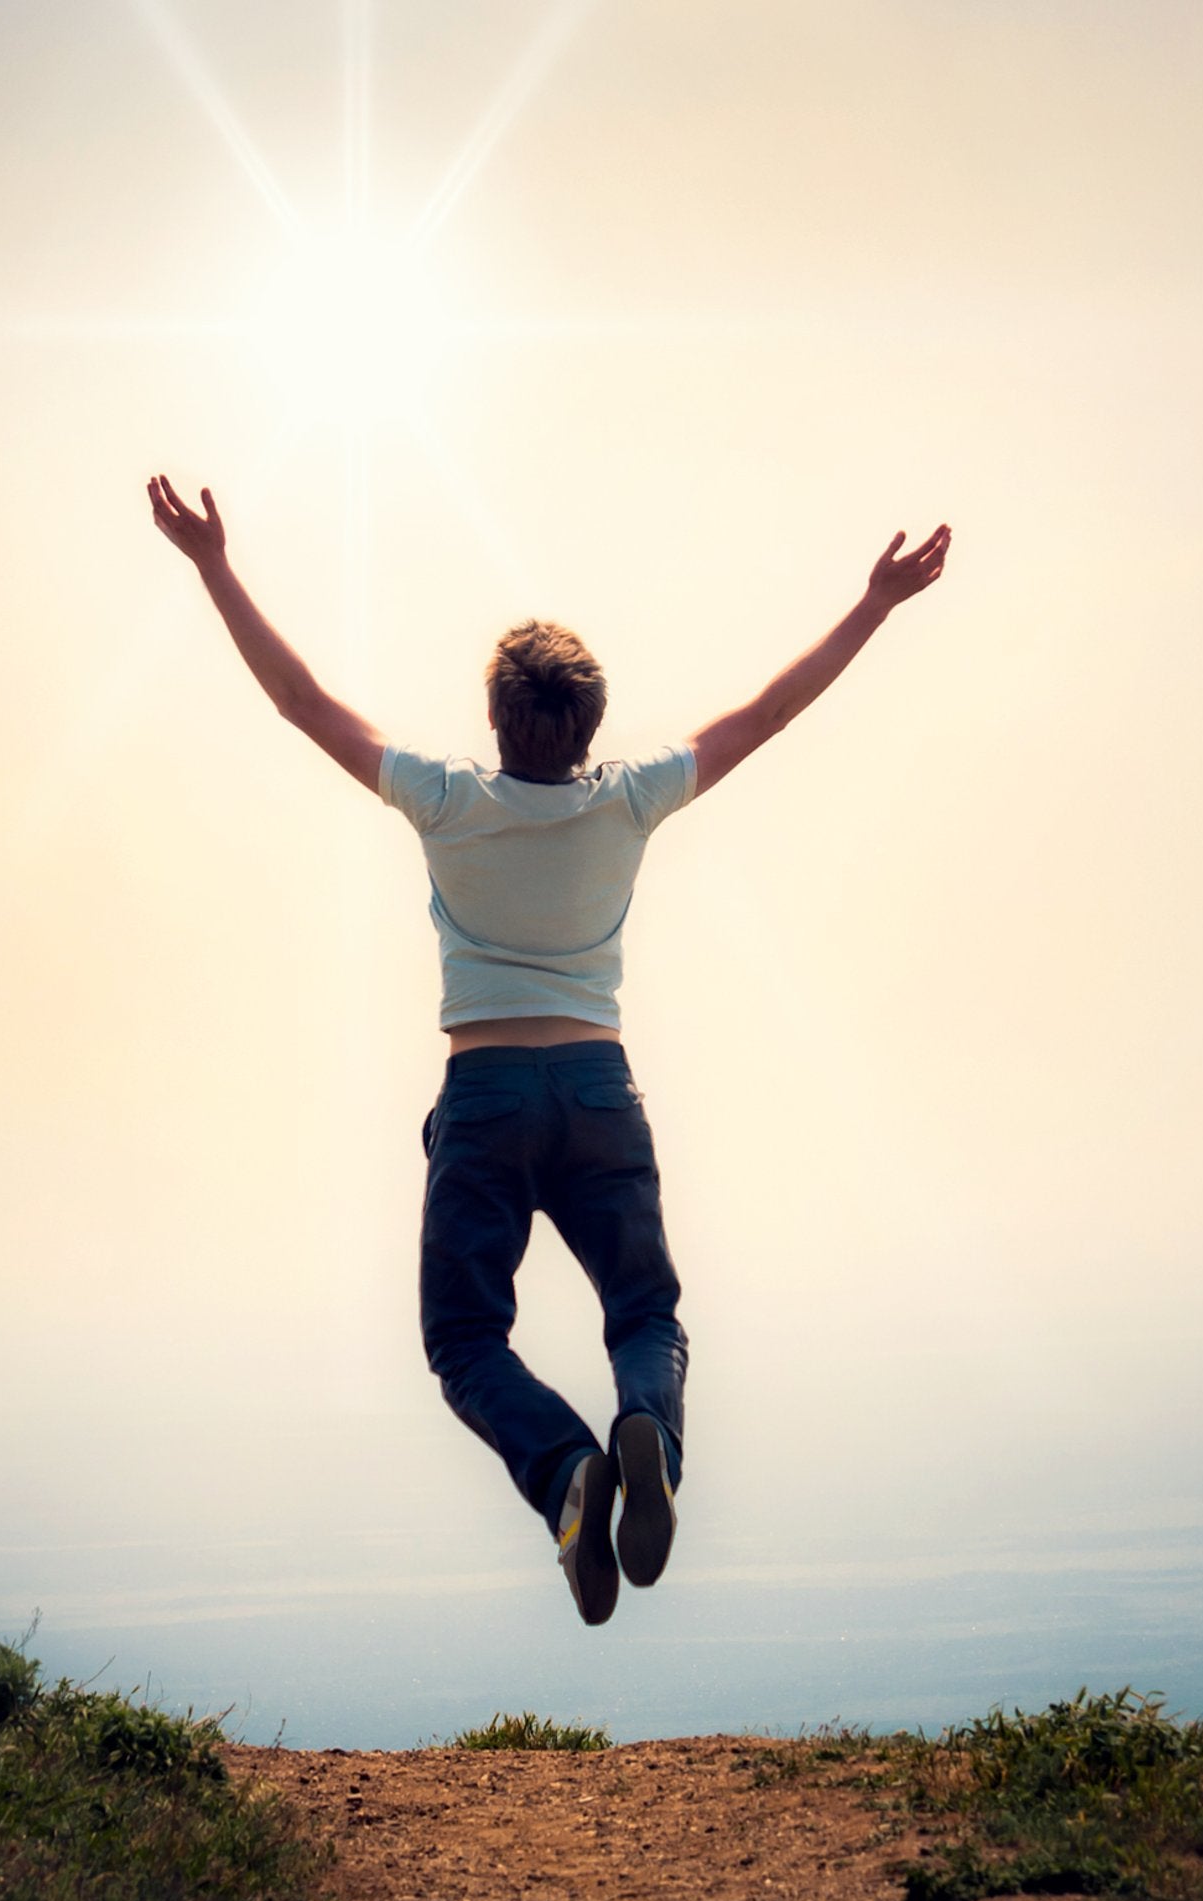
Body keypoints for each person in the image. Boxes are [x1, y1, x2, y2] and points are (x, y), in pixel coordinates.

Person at [147, 473, 950, 1625]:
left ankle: (566, 1465)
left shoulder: (444, 800)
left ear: (494, 718)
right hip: (595, 1089)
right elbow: (768, 712)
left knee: (466, 1338)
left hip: (482, 1097)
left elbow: (298, 699)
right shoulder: (628, 800)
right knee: (643, 1312)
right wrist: (872, 604)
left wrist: (214, 566)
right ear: (590, 722)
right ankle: (644, 1427)